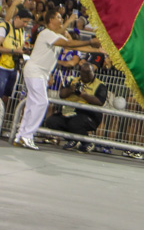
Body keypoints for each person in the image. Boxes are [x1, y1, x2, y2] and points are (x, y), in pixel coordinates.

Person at [13, 10, 100, 150]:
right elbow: (69, 43)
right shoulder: (47, 33)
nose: (61, 20)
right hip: (36, 72)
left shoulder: (54, 36)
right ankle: (27, 136)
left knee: (31, 104)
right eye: (59, 17)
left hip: (39, 73)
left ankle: (21, 135)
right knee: (42, 102)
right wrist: (89, 40)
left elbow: (70, 43)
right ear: (51, 20)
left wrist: (95, 49)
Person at [0, 7, 32, 126]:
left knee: (5, 98)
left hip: (13, 68)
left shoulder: (22, 31)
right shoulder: (3, 28)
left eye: (27, 23)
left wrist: (23, 53)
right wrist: (15, 51)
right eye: (24, 21)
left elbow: (19, 49)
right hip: (0, 67)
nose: (26, 24)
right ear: (17, 18)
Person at [46, 62, 109, 151]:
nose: (86, 76)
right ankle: (72, 140)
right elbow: (62, 94)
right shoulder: (74, 80)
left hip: (89, 114)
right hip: (69, 111)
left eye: (88, 73)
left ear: (93, 72)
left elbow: (100, 102)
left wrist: (84, 95)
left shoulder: (100, 85)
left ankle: (86, 143)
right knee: (52, 121)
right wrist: (71, 90)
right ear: (80, 72)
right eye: (84, 73)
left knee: (74, 122)